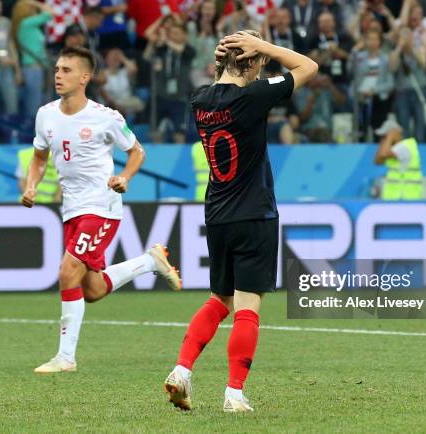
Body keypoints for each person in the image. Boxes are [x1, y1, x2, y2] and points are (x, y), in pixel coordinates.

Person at [163, 30, 317, 412]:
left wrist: (229, 59)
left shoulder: (200, 100)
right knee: (248, 305)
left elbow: (222, 81)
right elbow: (309, 66)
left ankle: (181, 371)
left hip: (217, 214)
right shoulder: (254, 96)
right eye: (259, 61)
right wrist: (264, 47)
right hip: (254, 213)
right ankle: (234, 393)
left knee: (220, 299)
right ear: (252, 61)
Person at [22, 46, 182, 374]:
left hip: (102, 207)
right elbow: (39, 156)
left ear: (84, 77)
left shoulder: (106, 117)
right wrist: (32, 185)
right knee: (91, 290)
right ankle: (150, 261)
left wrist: (124, 177)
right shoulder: (45, 114)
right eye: (57, 69)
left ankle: (65, 358)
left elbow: (137, 152)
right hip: (72, 209)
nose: (58, 75)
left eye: (66, 70)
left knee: (67, 272)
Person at [373, 119, 423, 200]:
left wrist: (390, 137)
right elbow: (377, 161)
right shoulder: (393, 148)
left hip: (408, 196)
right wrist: (384, 140)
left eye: (386, 135)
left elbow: (383, 154)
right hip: (394, 197)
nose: (385, 139)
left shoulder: (406, 146)